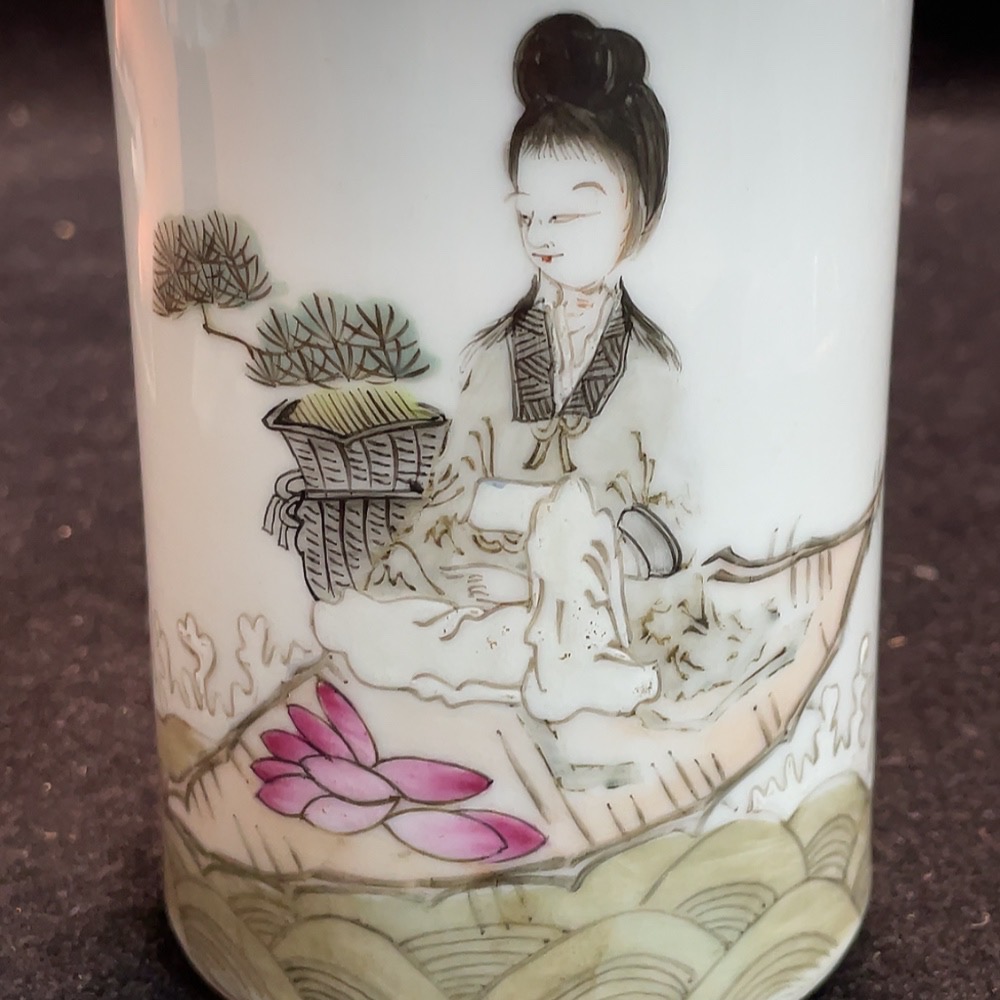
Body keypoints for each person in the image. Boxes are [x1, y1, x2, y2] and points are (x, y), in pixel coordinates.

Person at [314, 13, 686, 723]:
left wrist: (556, 552)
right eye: (527, 215)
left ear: (640, 212)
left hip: (604, 597)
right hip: (489, 590)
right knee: (409, 618)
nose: (542, 239)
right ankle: (549, 661)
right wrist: (495, 556)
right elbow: (449, 499)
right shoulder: (493, 359)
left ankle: (568, 658)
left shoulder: (656, 370)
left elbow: (669, 526)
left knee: (572, 534)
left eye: (569, 217)